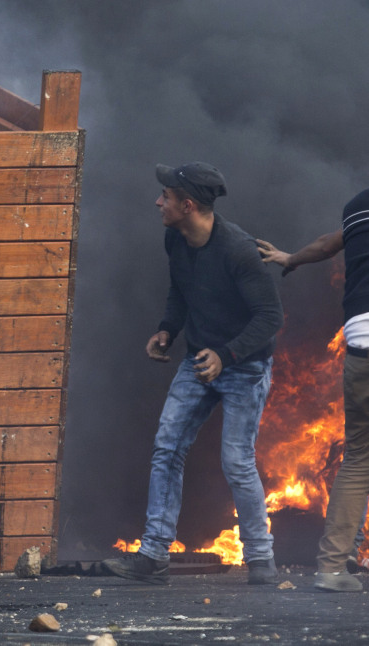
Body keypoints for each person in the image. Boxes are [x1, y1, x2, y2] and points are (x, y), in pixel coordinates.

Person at [102, 162, 283, 585]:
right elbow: (180, 290)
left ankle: (261, 561)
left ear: (187, 205)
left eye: (165, 196)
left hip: (246, 366)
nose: (157, 202)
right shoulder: (176, 237)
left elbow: (271, 317)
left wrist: (228, 354)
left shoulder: (238, 250)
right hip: (200, 360)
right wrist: (167, 330)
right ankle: (154, 557)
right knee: (167, 446)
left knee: (236, 461)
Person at [256, 188, 369, 591]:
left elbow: (327, 243)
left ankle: (332, 568)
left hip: (359, 341)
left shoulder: (359, 205)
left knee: (359, 459)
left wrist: (291, 258)